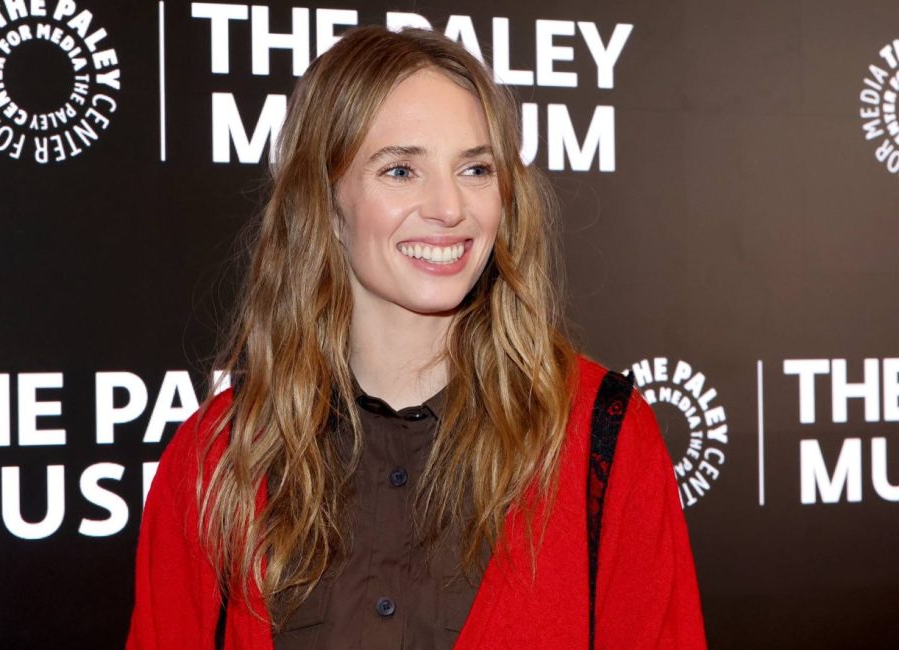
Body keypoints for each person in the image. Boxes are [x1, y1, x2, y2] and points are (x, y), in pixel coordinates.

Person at [127, 25, 706, 650]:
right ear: (325, 202)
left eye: (475, 168)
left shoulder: (604, 441)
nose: (450, 207)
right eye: (401, 170)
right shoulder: (217, 463)